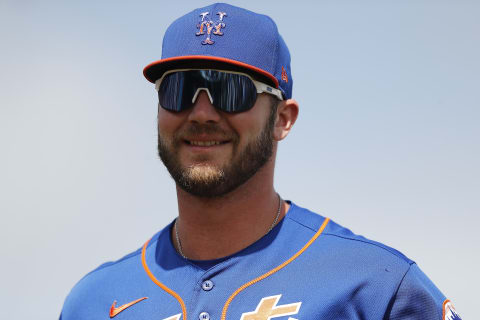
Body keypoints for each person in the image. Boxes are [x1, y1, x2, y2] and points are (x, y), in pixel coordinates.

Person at [60, 3, 461, 320]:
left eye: (231, 90)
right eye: (179, 89)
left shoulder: (375, 286)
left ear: (282, 119)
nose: (201, 113)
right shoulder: (94, 301)